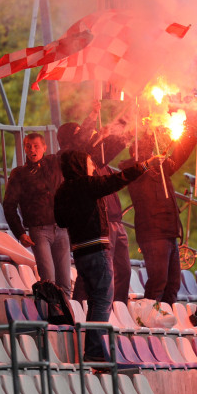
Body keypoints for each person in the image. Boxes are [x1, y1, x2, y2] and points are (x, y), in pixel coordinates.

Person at [54, 149, 163, 361]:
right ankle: (95, 352)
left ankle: (93, 350)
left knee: (95, 301)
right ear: (78, 164)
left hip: (80, 252)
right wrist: (144, 165)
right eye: (88, 162)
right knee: (103, 300)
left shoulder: (62, 191)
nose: (93, 167)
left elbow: (61, 221)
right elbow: (116, 180)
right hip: (96, 249)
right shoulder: (86, 184)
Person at [58, 102, 134, 303]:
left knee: (123, 271)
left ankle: (119, 312)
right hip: (94, 233)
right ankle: (83, 310)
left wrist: (129, 123)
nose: (88, 134)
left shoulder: (94, 160)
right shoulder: (73, 163)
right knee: (92, 279)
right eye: (80, 131)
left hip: (113, 223)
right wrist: (93, 115)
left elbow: (111, 147)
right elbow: (83, 147)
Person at [122, 110, 197, 304]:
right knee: (158, 281)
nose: (153, 155)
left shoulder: (161, 170)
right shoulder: (134, 172)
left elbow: (180, 153)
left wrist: (192, 128)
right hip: (153, 235)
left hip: (169, 233)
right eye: (147, 152)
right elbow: (138, 165)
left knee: (173, 284)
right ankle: (149, 321)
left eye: (151, 151)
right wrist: (149, 128)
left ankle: (165, 320)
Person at [2, 133, 72, 298]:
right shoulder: (19, 173)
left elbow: (73, 145)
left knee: (65, 283)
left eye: (36, 146)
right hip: (39, 230)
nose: (32, 150)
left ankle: (67, 319)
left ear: (45, 148)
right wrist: (19, 232)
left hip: (61, 228)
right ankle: (51, 317)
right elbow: (9, 205)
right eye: (28, 146)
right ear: (24, 148)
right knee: (48, 279)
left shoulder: (55, 163)